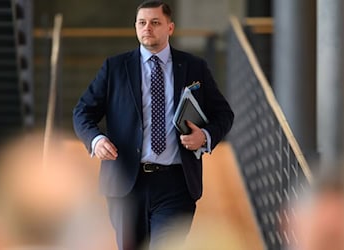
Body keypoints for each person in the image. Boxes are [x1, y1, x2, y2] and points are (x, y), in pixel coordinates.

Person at [73, 1, 234, 249]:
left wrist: (205, 136)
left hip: (177, 184)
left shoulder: (194, 67)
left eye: (155, 22)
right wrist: (96, 139)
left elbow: (223, 114)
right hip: (126, 183)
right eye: (142, 22)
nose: (147, 28)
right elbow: (82, 111)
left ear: (170, 28)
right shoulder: (115, 68)